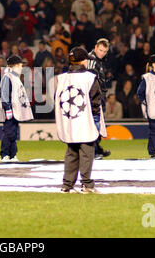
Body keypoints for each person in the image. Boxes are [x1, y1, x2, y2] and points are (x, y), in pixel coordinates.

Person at [56, 47, 106, 194]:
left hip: (69, 121)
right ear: (83, 60)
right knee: (86, 153)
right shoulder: (90, 77)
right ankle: (87, 184)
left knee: (71, 153)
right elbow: (96, 102)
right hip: (85, 122)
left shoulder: (61, 78)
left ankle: (67, 185)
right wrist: (96, 122)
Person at [0, 55, 33, 162]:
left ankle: (12, 154)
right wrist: (8, 108)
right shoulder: (8, 77)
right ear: (16, 65)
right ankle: (4, 155)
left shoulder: (14, 77)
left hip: (15, 110)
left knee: (14, 133)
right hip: (10, 109)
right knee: (9, 132)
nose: (22, 67)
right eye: (21, 65)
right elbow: (4, 94)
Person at [87, 38, 111, 159]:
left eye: (105, 51)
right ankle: (94, 151)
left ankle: (97, 148)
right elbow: (90, 80)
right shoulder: (91, 60)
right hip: (94, 97)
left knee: (97, 123)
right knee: (95, 123)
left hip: (98, 96)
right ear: (96, 47)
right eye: (101, 50)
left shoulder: (98, 60)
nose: (102, 53)